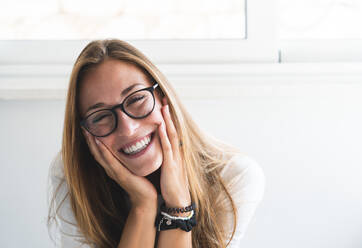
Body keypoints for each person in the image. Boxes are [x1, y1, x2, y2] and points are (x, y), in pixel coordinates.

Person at [47, 39, 266, 248]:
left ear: (163, 97)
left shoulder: (233, 177)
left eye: (136, 99)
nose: (128, 129)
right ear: (85, 132)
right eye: (100, 117)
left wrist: (179, 207)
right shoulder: (72, 177)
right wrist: (143, 205)